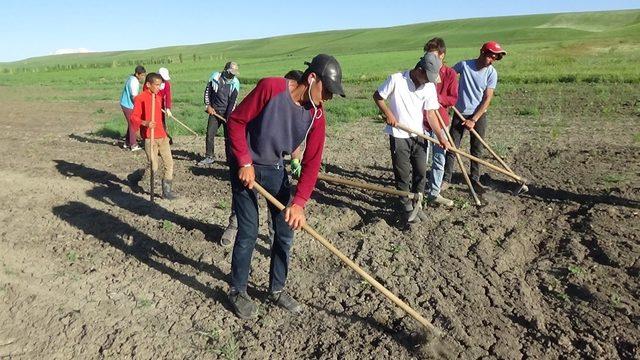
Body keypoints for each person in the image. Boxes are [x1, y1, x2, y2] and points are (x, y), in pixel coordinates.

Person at [226, 54, 345, 319]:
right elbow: (236, 122)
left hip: (276, 168)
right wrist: (244, 161)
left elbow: (313, 162)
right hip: (246, 165)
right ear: (312, 78)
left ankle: (276, 290)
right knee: (248, 229)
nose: (328, 98)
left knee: (284, 230)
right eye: (326, 91)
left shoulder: (317, 115)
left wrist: (299, 203)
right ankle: (237, 291)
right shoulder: (271, 88)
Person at [219, 69, 304, 247]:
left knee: (278, 207)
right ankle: (233, 225)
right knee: (244, 207)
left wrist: (295, 159)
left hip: (273, 164)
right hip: (249, 160)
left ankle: (275, 237)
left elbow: (293, 137)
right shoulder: (269, 100)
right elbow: (238, 125)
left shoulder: (296, 108)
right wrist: (244, 161)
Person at [373, 53, 450, 224]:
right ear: (419, 69)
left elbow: (430, 114)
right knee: (402, 173)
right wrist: (388, 114)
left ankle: (417, 203)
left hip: (419, 135)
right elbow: (378, 97)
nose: (429, 81)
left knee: (421, 172)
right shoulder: (396, 79)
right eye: (427, 77)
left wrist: (441, 137)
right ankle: (405, 206)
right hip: (399, 135)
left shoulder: (429, 87)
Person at [443, 41, 506, 191]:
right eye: (491, 56)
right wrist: (447, 95)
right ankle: (445, 179)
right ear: (482, 52)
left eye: (495, 58)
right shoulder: (464, 65)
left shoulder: (492, 73)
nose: (492, 61)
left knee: (477, 148)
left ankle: (475, 179)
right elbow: (447, 77)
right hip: (460, 112)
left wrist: (473, 119)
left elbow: (487, 98)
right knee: (452, 147)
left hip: (478, 115)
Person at [127, 73, 178, 200]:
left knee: (169, 163)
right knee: (153, 166)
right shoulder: (140, 98)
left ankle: (166, 191)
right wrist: (145, 123)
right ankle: (134, 178)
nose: (159, 87)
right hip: (150, 137)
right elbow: (133, 117)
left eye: (160, 85)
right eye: (156, 85)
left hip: (162, 136)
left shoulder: (158, 97)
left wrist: (167, 110)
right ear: (148, 84)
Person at [422, 37, 457, 207]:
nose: (430, 59)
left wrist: (436, 99)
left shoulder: (449, 74)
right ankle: (419, 193)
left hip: (441, 121)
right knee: (421, 159)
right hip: (422, 121)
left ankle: (434, 192)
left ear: (442, 55)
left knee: (438, 158)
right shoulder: (423, 70)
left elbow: (452, 99)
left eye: (434, 56)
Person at [198, 61, 240, 166]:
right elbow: (208, 92)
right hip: (214, 111)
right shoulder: (215, 77)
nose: (232, 75)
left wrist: (229, 116)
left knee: (229, 137)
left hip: (227, 112)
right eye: (231, 72)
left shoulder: (235, 83)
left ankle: (230, 160)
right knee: (210, 134)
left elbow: (233, 102)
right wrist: (208, 106)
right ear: (225, 70)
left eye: (234, 73)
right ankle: (209, 156)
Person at [119, 65, 146, 151]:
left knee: (131, 123)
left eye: (144, 75)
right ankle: (133, 145)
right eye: (141, 75)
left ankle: (127, 143)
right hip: (128, 104)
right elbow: (134, 97)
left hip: (126, 103)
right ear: (137, 74)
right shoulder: (134, 82)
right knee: (133, 124)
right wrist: (140, 106)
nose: (143, 77)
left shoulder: (132, 78)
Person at [158, 67, 174, 145]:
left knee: (162, 121)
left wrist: (168, 108)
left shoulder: (166, 84)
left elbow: (168, 96)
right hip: (152, 104)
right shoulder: (151, 81)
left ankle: (163, 138)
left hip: (161, 104)